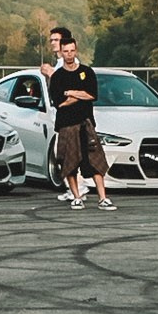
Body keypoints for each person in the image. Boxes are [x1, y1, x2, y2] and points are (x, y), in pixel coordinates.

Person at [48, 32, 111, 211]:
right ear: (61, 52)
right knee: (69, 162)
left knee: (95, 161)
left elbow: (91, 95)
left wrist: (71, 92)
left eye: (72, 50)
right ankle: (76, 196)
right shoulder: (58, 77)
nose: (69, 54)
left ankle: (103, 198)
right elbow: (60, 102)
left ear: (76, 51)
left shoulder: (86, 72)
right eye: (66, 51)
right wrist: (79, 94)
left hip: (86, 123)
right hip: (67, 124)